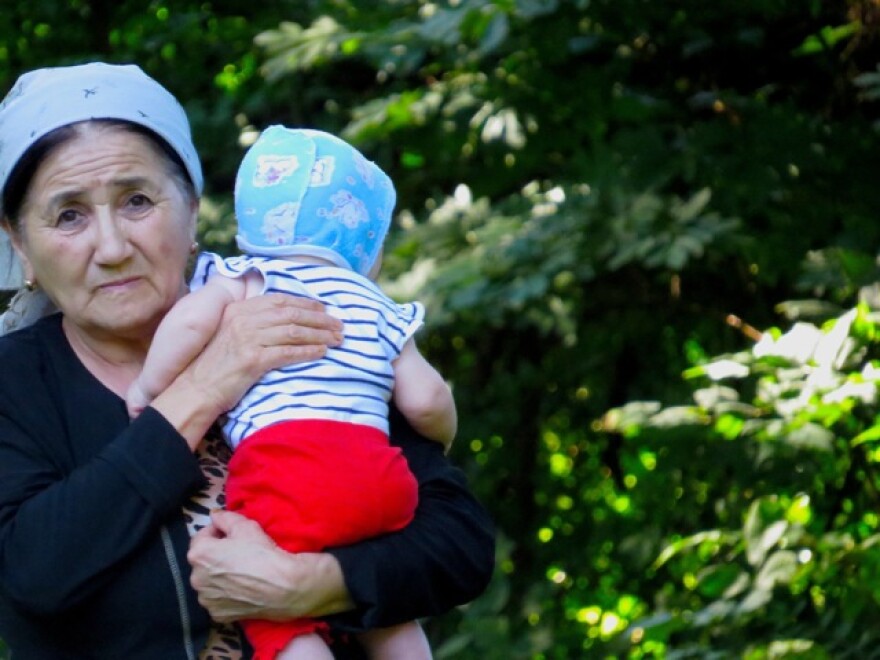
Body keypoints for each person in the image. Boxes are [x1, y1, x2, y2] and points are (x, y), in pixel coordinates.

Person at [0, 62, 495, 659]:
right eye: (69, 214)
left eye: (136, 201)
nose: (111, 247)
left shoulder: (287, 318)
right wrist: (204, 386)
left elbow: (460, 544)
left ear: (191, 213)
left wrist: (307, 587)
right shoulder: (15, 384)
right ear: (20, 246)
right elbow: (32, 575)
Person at [125, 125, 456, 659]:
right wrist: (442, 440)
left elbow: (187, 327)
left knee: (281, 616)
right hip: (380, 480)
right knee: (391, 616)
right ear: (365, 246)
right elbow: (426, 400)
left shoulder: (248, 279)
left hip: (290, 473)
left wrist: (149, 384)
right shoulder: (377, 306)